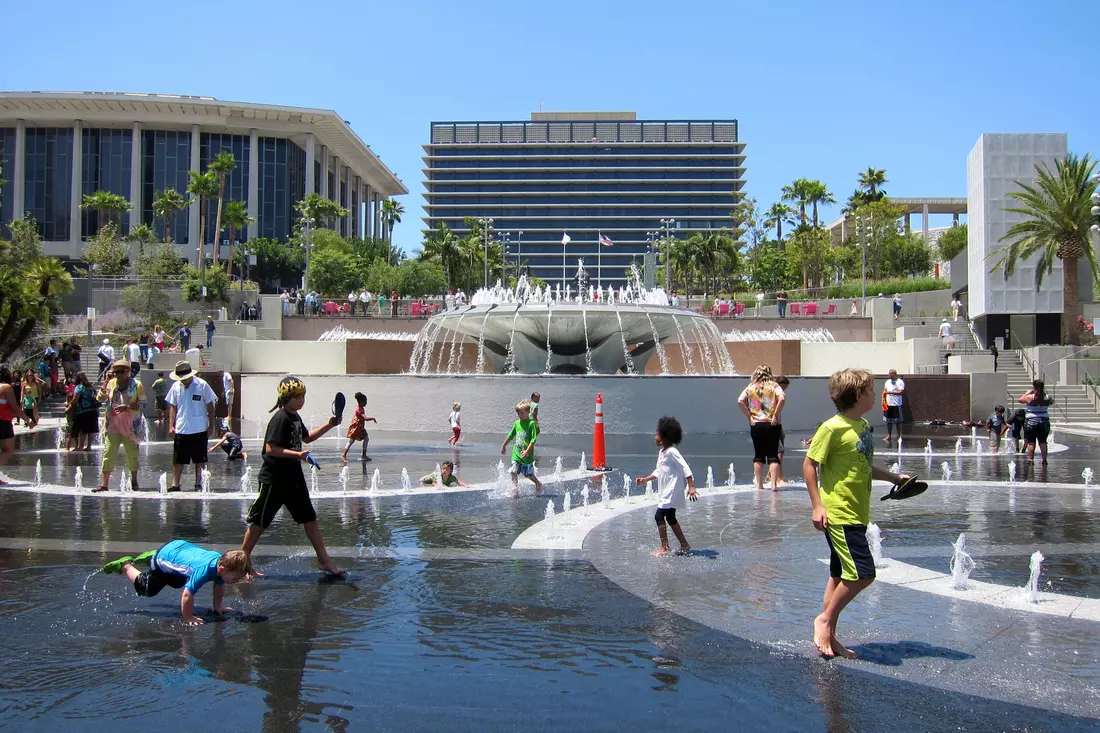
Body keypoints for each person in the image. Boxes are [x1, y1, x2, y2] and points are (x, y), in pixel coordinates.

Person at [803, 367, 910, 659]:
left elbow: (862, 466)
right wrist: (817, 505)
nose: (876, 395)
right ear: (858, 394)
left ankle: (830, 635)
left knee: (839, 575)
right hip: (839, 513)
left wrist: (893, 478)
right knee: (863, 573)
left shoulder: (862, 426)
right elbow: (810, 465)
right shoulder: (832, 427)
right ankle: (823, 621)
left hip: (857, 511)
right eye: (872, 391)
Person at [241, 375, 344, 576]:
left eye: (303, 396)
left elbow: (306, 438)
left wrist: (330, 424)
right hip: (274, 479)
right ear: (285, 398)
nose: (301, 400)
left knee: (310, 518)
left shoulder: (295, 417)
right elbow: (271, 448)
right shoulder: (280, 419)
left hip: (293, 478)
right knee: (259, 521)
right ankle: (242, 563)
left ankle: (324, 561)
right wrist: (297, 455)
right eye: (297, 397)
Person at [101, 540, 251, 626]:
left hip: (178, 548)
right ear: (223, 569)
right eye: (235, 578)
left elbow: (219, 584)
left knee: (178, 581)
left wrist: (218, 608)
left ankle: (154, 555)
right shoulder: (204, 570)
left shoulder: (220, 563)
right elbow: (187, 595)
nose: (236, 582)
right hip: (164, 557)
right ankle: (125, 565)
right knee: (148, 589)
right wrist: (188, 617)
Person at [635, 416, 697, 557]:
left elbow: (685, 467)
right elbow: (659, 470)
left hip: (672, 488)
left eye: (657, 434)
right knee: (670, 517)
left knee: (659, 516)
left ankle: (664, 547)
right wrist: (646, 479)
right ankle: (684, 544)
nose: (654, 437)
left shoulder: (672, 452)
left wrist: (691, 486)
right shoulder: (662, 452)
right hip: (666, 489)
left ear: (664, 436)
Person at [165, 360, 217, 492]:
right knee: (178, 458)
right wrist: (171, 425)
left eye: (185, 378)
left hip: (199, 427)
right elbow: (172, 406)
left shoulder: (202, 385)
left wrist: (212, 425)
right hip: (182, 427)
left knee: (199, 458)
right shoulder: (176, 386)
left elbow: (211, 405)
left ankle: (198, 482)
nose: (183, 380)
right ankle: (175, 483)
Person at [94, 360, 145, 492]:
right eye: (116, 372)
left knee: (132, 454)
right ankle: (104, 484)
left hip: (131, 426)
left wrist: (127, 407)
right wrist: (106, 381)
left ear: (128, 372)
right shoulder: (111, 383)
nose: (118, 375)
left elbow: (143, 404)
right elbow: (99, 399)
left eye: (121, 372)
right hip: (113, 425)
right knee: (108, 452)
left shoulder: (137, 385)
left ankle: (134, 480)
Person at [737, 365, 785, 492]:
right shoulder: (774, 386)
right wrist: (775, 415)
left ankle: (759, 484)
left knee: (758, 455)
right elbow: (782, 398)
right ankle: (774, 485)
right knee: (773, 455)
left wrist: (749, 416)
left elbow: (740, 401)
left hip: (756, 424)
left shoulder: (751, 387)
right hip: (772, 423)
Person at [501, 398, 543, 497]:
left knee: (527, 474)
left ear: (528, 412)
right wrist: (504, 445)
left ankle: (538, 483)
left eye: (522, 413)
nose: (520, 415)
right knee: (513, 470)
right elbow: (510, 435)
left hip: (526, 455)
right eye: (518, 413)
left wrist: (527, 451)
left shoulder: (531, 424)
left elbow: (533, 439)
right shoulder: (517, 423)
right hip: (516, 453)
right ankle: (515, 489)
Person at [0, 365, 31, 482]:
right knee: (8, 450)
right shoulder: (6, 387)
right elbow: (15, 408)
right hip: (2, 422)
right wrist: (28, 420)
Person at [1019, 379, 1054, 464]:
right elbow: (1052, 402)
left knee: (1031, 442)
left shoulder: (1030, 397)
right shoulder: (1047, 397)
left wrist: (1028, 392)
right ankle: (1044, 460)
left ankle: (1031, 460)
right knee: (1043, 442)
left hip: (1031, 420)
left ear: (1034, 387)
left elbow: (1020, 400)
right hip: (1044, 421)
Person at [340, 392, 377, 463]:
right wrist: (373, 418)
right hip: (356, 427)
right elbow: (365, 418)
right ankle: (344, 455)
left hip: (360, 427)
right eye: (365, 401)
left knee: (366, 438)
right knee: (351, 441)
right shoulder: (359, 410)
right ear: (361, 401)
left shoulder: (361, 408)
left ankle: (364, 455)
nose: (366, 402)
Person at [68, 371, 99, 452]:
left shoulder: (79, 387)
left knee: (83, 430)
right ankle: (89, 446)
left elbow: (75, 400)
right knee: (91, 430)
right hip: (93, 411)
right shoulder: (91, 387)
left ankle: (81, 446)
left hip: (83, 411)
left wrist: (68, 404)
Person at [881, 369, 906, 446]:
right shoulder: (887, 382)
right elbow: (885, 391)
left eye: (891, 374)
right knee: (889, 421)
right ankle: (889, 435)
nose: (890, 376)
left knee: (898, 421)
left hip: (896, 404)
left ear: (895, 374)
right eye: (889, 374)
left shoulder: (900, 382)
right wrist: (883, 399)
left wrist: (889, 392)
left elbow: (901, 392)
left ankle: (898, 435)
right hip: (888, 404)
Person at [775, 375, 790, 485]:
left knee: (778, 451)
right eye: (782, 387)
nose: (783, 390)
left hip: (777, 425)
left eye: (785, 388)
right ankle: (778, 478)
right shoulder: (774, 393)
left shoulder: (777, 393)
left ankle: (772, 475)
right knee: (779, 450)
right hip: (772, 425)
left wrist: (781, 429)